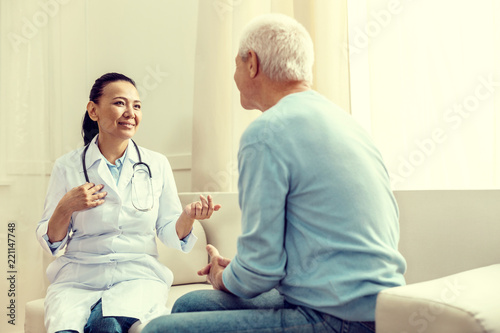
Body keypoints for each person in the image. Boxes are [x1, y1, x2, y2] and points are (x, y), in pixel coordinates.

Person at [144, 13, 406, 333]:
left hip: (339, 318)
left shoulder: (267, 132)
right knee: (188, 304)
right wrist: (236, 271)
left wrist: (224, 277)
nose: (236, 74)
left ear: (251, 63)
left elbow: (260, 271)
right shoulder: (345, 123)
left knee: (160, 329)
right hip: (380, 305)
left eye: (236, 64)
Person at [36, 72, 221, 333]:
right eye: (120, 103)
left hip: (137, 274)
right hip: (79, 276)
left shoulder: (156, 164)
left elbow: (169, 232)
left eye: (136, 106)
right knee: (67, 330)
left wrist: (187, 216)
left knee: (106, 326)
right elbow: (52, 242)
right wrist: (66, 206)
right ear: (93, 110)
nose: (130, 112)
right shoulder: (67, 167)